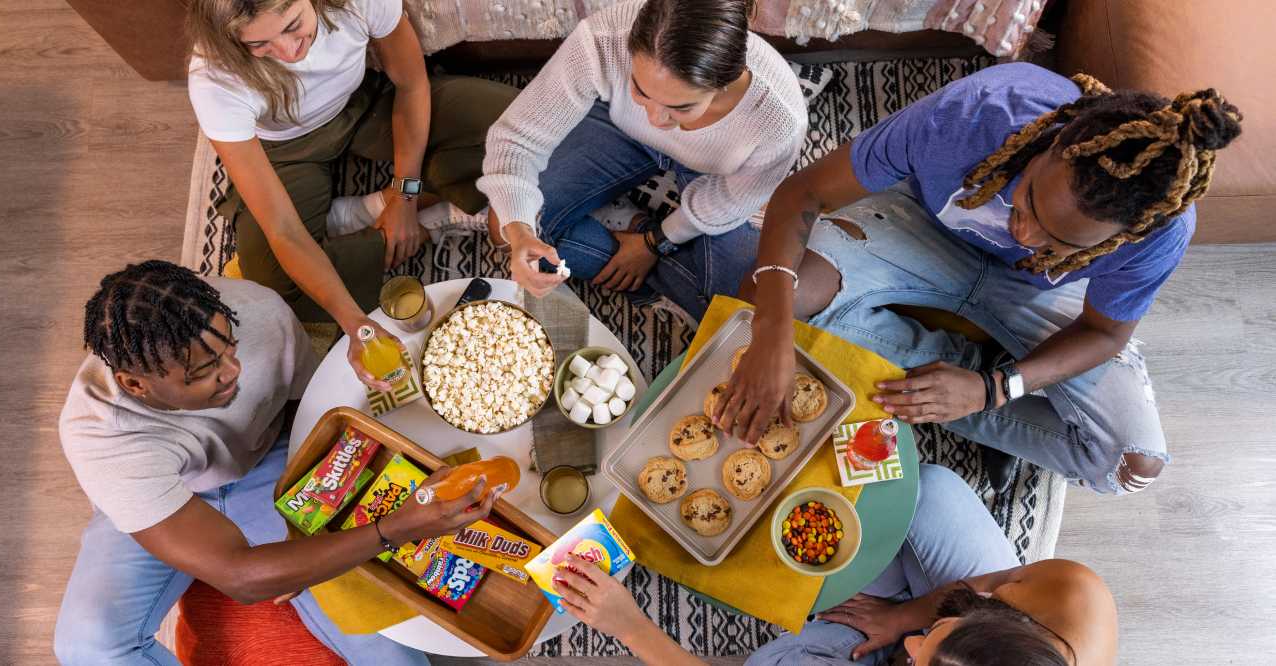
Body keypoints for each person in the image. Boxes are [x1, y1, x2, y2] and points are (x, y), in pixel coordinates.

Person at [716, 62, 1243, 493]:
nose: (1024, 233)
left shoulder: (1158, 230)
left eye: (1061, 240)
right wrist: (772, 333)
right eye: (1030, 198)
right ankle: (972, 372)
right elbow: (802, 193)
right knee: (763, 302)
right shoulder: (975, 112)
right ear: (1051, 141)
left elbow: (1104, 332)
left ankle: (975, 382)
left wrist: (994, 389)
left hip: (1031, 294)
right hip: (917, 230)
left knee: (1128, 465)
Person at [53, 260, 500, 665]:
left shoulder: (256, 310)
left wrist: (308, 520)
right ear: (135, 384)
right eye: (202, 373)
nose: (232, 371)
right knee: (87, 646)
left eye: (228, 348)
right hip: (165, 499)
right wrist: (394, 529)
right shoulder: (99, 436)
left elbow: (307, 411)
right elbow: (240, 577)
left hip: (270, 464)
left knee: (390, 658)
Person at [187, 0, 517, 388]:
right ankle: (402, 213)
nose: (287, 51)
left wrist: (404, 194)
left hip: (365, 105)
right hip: (284, 151)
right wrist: (356, 323)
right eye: (259, 45)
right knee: (274, 288)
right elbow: (283, 230)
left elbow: (411, 85)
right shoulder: (214, 78)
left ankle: (384, 211)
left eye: (294, 26)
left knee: (514, 127)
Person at [554, 466, 1118, 665]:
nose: (914, 645)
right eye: (937, 633)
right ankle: (910, 599)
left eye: (919, 658)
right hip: (966, 607)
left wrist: (627, 624)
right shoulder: (1074, 596)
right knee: (937, 492)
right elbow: (991, 586)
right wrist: (902, 621)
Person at [478, 0, 807, 322]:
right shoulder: (604, 39)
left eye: (681, 108)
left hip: (712, 174)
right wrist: (522, 235)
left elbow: (729, 201)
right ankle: (648, 244)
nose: (655, 118)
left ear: (725, 81)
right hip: (617, 128)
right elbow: (517, 140)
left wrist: (657, 242)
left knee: (746, 304)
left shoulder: (779, 119)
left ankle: (639, 246)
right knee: (505, 225)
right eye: (640, 89)